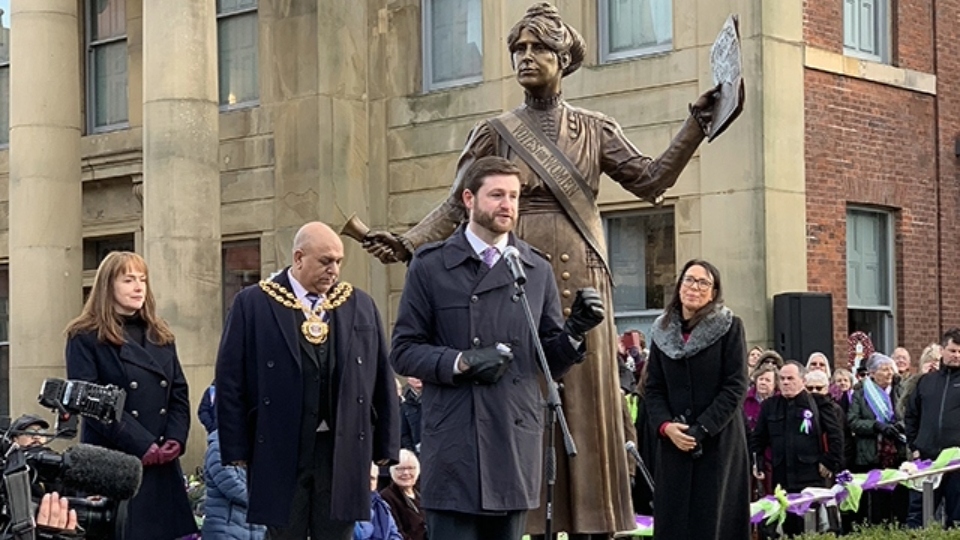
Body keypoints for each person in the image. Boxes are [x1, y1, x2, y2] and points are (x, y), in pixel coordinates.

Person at [361, 2, 729, 536]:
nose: (525, 58)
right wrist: (409, 241)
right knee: (519, 393)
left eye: (538, 48)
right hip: (512, 279)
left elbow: (649, 181)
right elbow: (454, 204)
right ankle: (524, 518)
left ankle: (594, 521)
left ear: (564, 58)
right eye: (518, 49)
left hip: (582, 276)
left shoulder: (594, 128)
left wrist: (695, 126)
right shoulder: (496, 131)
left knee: (584, 404)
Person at [389, 156, 603, 540]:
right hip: (456, 443)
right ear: (469, 199)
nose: (508, 205)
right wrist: (462, 362)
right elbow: (403, 350)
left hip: (512, 440)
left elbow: (547, 361)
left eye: (514, 197)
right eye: (497, 195)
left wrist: (574, 333)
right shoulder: (431, 265)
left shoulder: (535, 269)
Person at [215, 222, 400, 540]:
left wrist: (386, 445)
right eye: (326, 261)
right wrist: (236, 449)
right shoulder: (254, 303)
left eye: (339, 262)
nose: (335, 270)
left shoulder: (359, 304)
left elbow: (380, 377)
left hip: (341, 448)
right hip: (280, 446)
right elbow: (231, 380)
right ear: (298, 258)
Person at [64, 251, 197, 540]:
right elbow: (89, 401)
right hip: (115, 463)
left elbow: (178, 393)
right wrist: (142, 443)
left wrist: (175, 437)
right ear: (108, 285)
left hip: (161, 462)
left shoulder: (161, 335)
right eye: (128, 280)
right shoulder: (84, 336)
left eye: (143, 280)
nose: (139, 287)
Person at [644, 259, 751, 539]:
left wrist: (701, 429)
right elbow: (653, 388)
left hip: (718, 444)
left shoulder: (730, 327)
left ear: (714, 292)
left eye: (704, 282)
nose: (695, 287)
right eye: (689, 280)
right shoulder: (661, 330)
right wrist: (666, 427)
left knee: (714, 524)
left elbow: (736, 385)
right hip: (673, 444)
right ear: (679, 286)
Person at [751, 362, 844, 536]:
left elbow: (836, 436)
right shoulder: (770, 406)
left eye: (790, 378)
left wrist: (829, 461)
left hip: (811, 475)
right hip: (782, 476)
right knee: (790, 527)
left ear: (802, 380)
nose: (785, 382)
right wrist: (758, 463)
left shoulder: (818, 403)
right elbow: (758, 439)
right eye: (782, 379)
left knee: (815, 526)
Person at [905, 328, 960, 529]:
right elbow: (911, 415)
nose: (957, 356)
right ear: (943, 351)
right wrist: (915, 445)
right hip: (928, 460)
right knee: (918, 518)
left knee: (957, 520)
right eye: (953, 351)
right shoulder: (926, 382)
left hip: (957, 464)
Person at [847, 353, 908, 526]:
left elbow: (910, 414)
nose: (889, 373)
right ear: (872, 373)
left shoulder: (899, 390)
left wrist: (900, 426)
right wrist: (875, 426)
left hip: (897, 454)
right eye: (884, 369)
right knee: (876, 503)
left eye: (891, 369)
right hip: (872, 454)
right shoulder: (860, 393)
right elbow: (853, 421)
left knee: (899, 501)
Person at [202, 429, 267, 540]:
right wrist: (264, 500)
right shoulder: (219, 448)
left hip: (253, 530)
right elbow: (231, 485)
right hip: (225, 529)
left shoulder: (255, 446)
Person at [380, 449, 427, 540]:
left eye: (410, 468)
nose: (406, 473)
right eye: (400, 469)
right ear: (391, 471)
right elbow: (396, 532)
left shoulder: (422, 491)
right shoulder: (387, 496)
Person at [355, 463, 403, 540]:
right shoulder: (347, 506)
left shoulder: (382, 505)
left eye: (372, 478)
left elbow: (394, 533)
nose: (368, 482)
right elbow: (361, 535)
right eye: (365, 478)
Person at [399, 377, 422, 456]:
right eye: (413, 376)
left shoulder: (437, 398)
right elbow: (404, 434)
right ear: (408, 379)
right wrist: (412, 453)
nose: (418, 378)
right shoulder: (404, 405)